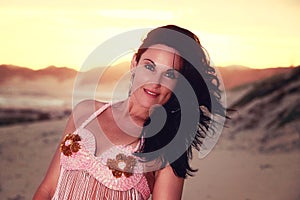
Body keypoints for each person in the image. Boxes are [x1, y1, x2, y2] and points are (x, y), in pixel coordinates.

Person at [33, 25, 227, 200]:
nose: (155, 82)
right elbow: (47, 189)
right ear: (134, 63)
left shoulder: (168, 149)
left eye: (169, 74)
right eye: (149, 66)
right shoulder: (85, 111)